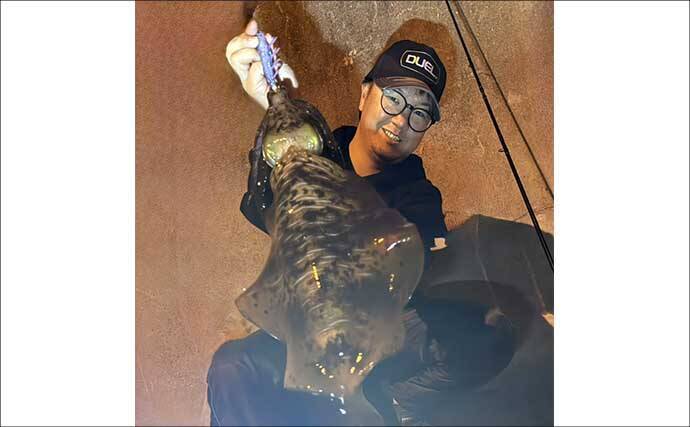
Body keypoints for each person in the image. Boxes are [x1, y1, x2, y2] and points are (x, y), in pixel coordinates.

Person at [207, 19, 512, 426]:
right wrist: (270, 109)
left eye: (420, 112)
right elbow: (261, 204)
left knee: (489, 334)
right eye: (394, 99)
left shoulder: (419, 195)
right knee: (232, 367)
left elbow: (409, 270)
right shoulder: (315, 151)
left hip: (378, 334)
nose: (401, 120)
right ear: (365, 93)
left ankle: (392, 405)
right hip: (307, 329)